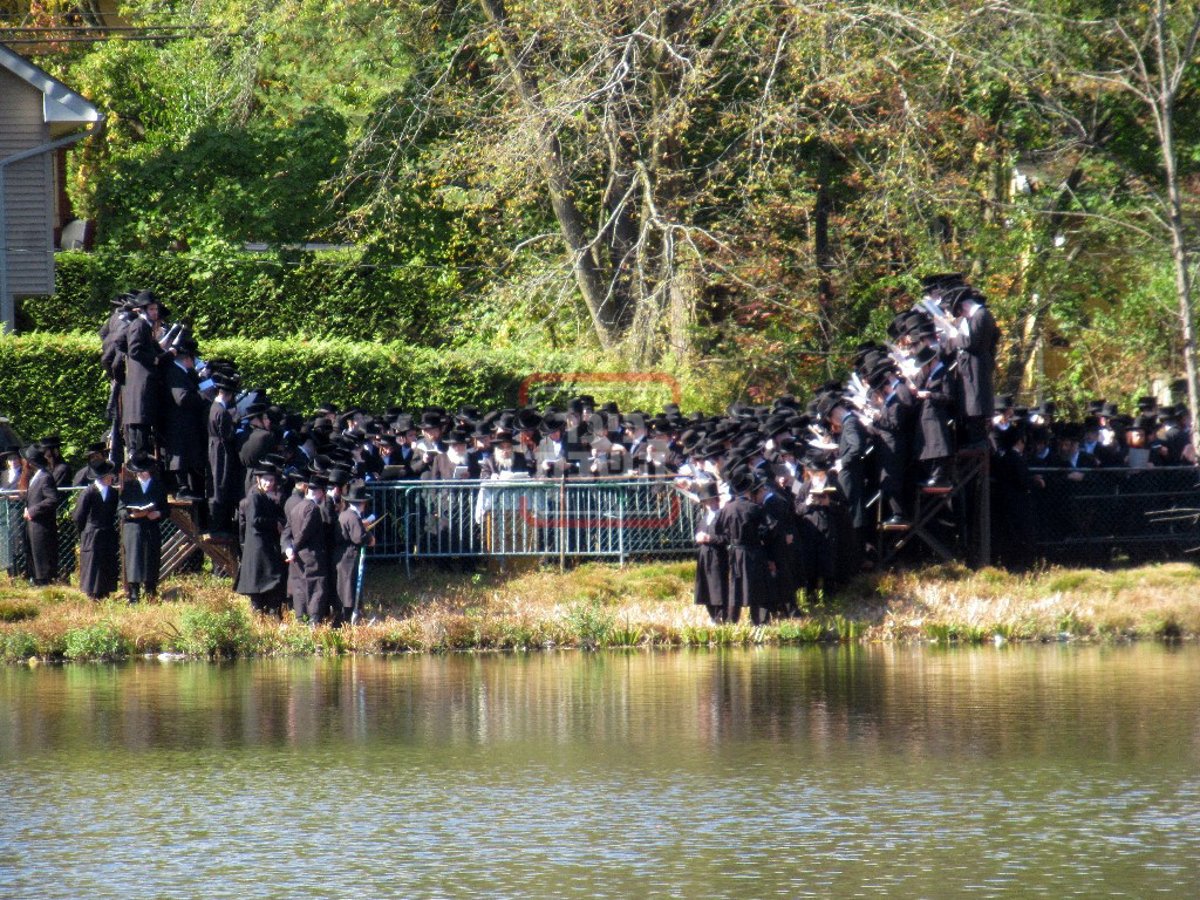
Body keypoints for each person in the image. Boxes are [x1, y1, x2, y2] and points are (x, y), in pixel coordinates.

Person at [711, 467, 772, 625]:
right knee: (757, 585)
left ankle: (732, 621)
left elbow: (718, 528)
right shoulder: (755, 509)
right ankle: (759, 621)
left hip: (735, 552)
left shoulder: (727, 509)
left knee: (735, 586)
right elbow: (767, 530)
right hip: (754, 551)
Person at [235, 465, 287, 616]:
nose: (269, 483)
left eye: (271, 480)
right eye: (266, 480)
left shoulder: (265, 497)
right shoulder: (255, 497)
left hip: (264, 547)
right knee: (261, 589)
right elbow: (254, 520)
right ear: (258, 480)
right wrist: (275, 523)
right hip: (259, 549)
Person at [119, 453, 168, 603]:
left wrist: (158, 513)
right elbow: (120, 509)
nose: (142, 474)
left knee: (151, 559)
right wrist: (132, 515)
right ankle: (134, 593)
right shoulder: (129, 486)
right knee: (133, 559)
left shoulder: (158, 485)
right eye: (139, 472)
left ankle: (150, 590)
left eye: (144, 471)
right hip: (133, 528)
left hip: (151, 526)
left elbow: (166, 509)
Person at [287, 472, 332, 624]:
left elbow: (289, 531)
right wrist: (293, 547)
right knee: (316, 585)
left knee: (299, 585)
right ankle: (314, 619)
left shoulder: (296, 507)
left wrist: (290, 548)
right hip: (311, 555)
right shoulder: (313, 509)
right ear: (320, 492)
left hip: (298, 556)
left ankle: (300, 617)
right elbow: (304, 532)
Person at [72, 460, 119, 600]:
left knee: (107, 561)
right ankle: (92, 592)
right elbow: (78, 516)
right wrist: (83, 532)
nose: (111, 477)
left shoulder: (113, 492)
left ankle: (105, 590)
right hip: (92, 532)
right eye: (109, 475)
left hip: (108, 531)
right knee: (93, 562)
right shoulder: (89, 492)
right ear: (103, 476)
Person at [335, 482, 375, 625]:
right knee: (348, 588)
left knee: (347, 586)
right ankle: (347, 618)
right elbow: (359, 537)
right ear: (363, 503)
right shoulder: (352, 516)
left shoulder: (346, 514)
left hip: (345, 557)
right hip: (349, 558)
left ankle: (349, 615)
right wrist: (370, 538)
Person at [207, 372, 242, 534]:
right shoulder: (221, 412)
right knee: (220, 481)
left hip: (214, 446)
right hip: (221, 449)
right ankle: (218, 524)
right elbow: (228, 434)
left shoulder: (214, 407)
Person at [692, 480, 730, 622]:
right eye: (706, 501)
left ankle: (721, 616)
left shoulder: (722, 516)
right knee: (705, 585)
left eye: (710, 500)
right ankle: (713, 615)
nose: (708, 504)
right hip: (704, 556)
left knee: (718, 586)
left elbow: (727, 537)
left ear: (716, 500)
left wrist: (710, 538)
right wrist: (698, 539)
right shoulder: (703, 518)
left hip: (717, 555)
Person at [20, 445, 59, 586]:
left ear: (30, 462)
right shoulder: (35, 477)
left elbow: (52, 499)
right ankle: (36, 580)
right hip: (32, 525)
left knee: (42, 556)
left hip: (41, 526)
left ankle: (44, 583)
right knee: (33, 554)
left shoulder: (45, 477)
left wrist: (33, 510)